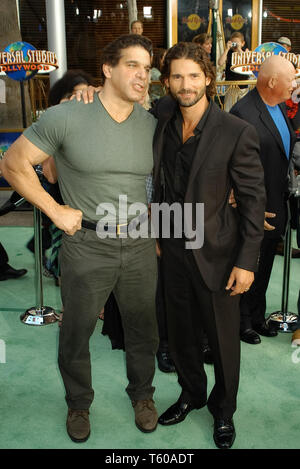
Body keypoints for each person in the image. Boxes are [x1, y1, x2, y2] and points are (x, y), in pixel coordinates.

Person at [2, 34, 159, 442]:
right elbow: (13, 163)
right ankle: (78, 404)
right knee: (77, 330)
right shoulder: (67, 116)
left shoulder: (152, 122)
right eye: (132, 65)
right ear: (107, 69)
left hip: (141, 243)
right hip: (87, 243)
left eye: (147, 68)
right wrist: (54, 210)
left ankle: (143, 396)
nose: (142, 75)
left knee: (144, 327)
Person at [151, 42, 266, 449]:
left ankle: (224, 410)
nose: (186, 85)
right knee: (180, 333)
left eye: (193, 76)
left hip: (217, 251)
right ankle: (191, 394)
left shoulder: (237, 131)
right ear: (166, 83)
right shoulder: (161, 118)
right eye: (177, 77)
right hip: (173, 250)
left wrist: (247, 262)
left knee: (221, 340)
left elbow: (254, 200)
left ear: (209, 79)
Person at [230, 55, 297, 345]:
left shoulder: (281, 106)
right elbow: (229, 165)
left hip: (276, 204)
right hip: (252, 209)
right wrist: (247, 207)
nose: (295, 84)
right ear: (272, 81)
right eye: (291, 79)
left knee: (267, 261)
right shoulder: (242, 112)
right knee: (248, 263)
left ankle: (256, 316)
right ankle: (241, 322)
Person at [218, 32, 250, 111]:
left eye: (237, 43)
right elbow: (220, 62)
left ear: (243, 43)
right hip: (231, 86)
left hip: (243, 86)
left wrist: (239, 49)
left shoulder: (245, 52)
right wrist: (227, 49)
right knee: (229, 109)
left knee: (243, 110)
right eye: (233, 43)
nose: (235, 45)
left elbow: (247, 62)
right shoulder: (228, 53)